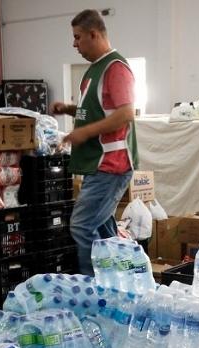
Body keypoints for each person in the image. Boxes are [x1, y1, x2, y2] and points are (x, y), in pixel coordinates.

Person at [50, 9, 138, 276]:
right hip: (95, 165)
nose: (74, 44)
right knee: (101, 228)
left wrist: (84, 133)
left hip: (111, 165)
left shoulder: (116, 68)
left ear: (94, 34)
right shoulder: (94, 71)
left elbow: (125, 114)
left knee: (81, 225)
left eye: (77, 37)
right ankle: (121, 278)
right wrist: (68, 109)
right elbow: (98, 110)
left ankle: (92, 287)